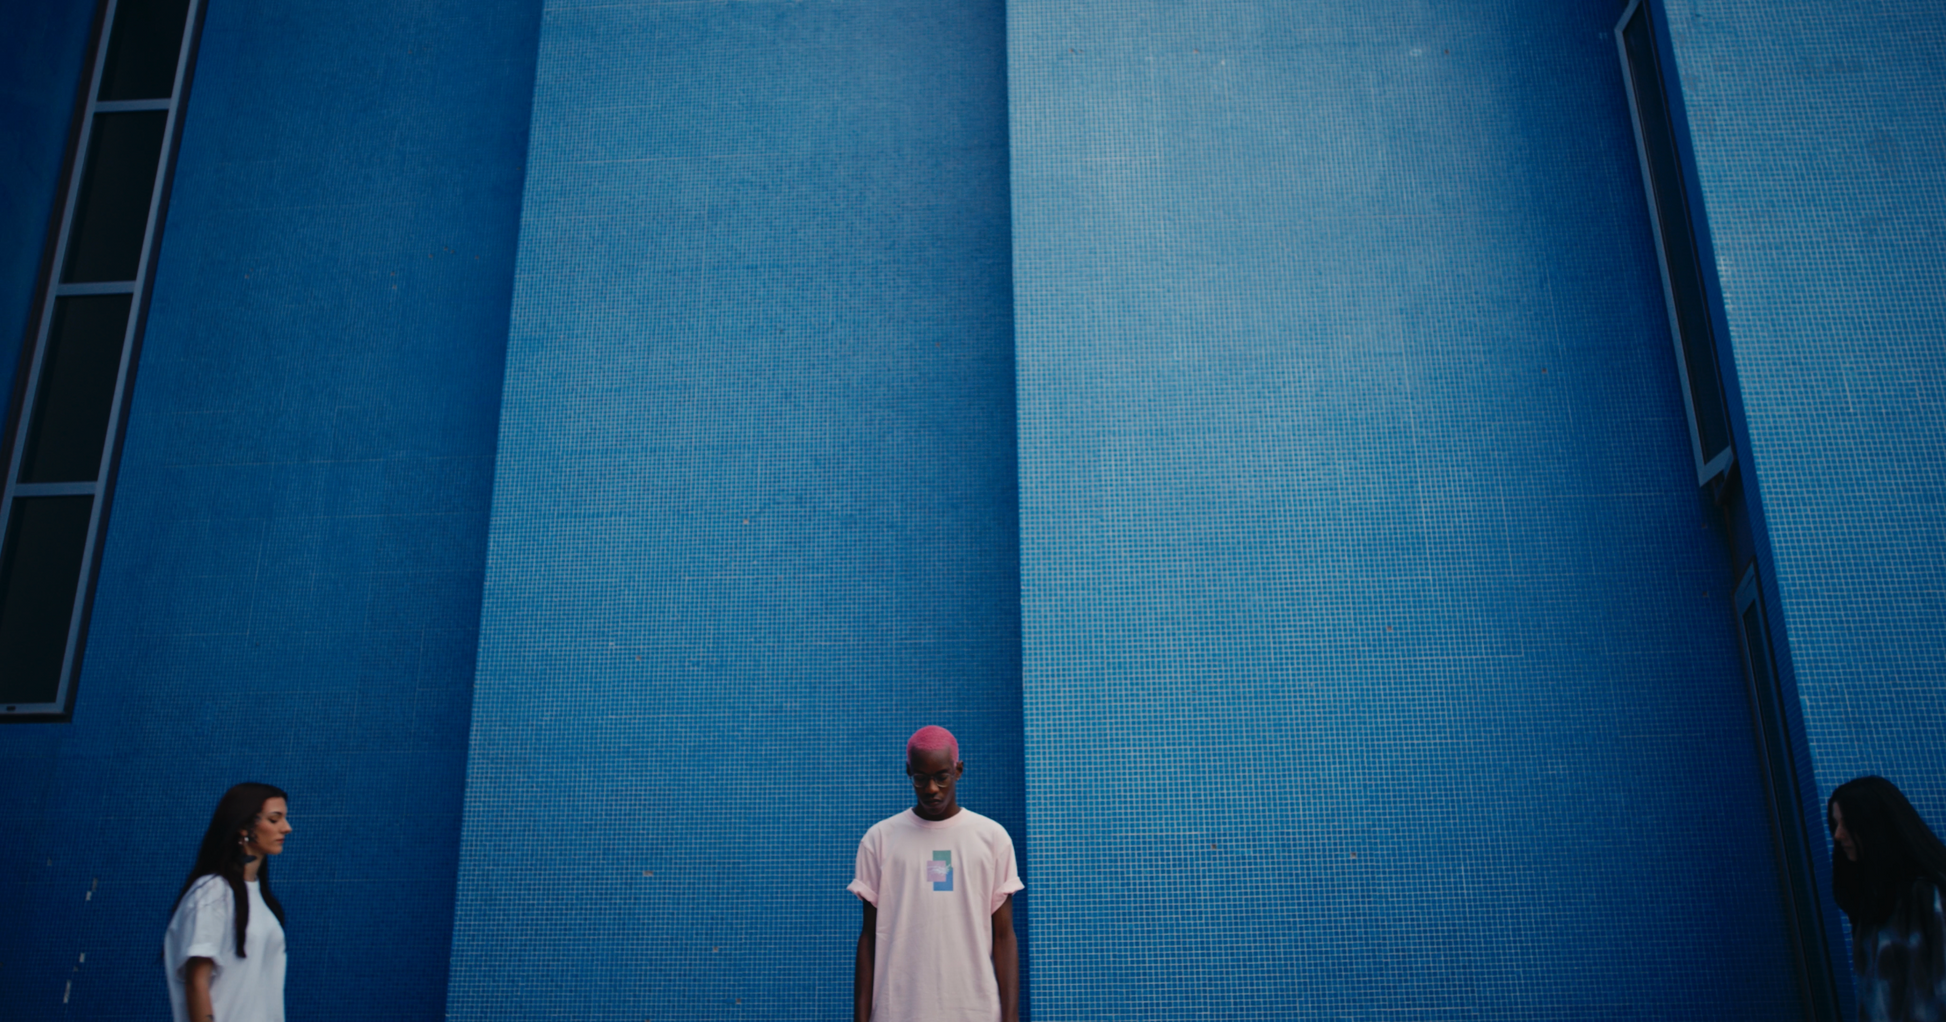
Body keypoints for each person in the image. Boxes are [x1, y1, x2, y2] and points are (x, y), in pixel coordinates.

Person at [850, 725, 1022, 1022]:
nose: (931, 789)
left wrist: (1011, 1018)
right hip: (897, 1012)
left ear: (958, 770)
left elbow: (1004, 937)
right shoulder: (879, 840)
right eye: (921, 778)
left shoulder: (993, 838)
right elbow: (869, 937)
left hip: (975, 1012)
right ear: (908, 772)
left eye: (941, 777)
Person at [163, 783, 293, 1022]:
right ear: (243, 825)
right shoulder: (213, 892)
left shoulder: (259, 898)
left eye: (284, 819)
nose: (287, 828)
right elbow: (196, 982)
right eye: (274, 820)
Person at [1829, 775, 1946, 1022]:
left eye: (1847, 823)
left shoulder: (1930, 896)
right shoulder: (1873, 908)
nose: (1838, 835)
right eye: (1835, 823)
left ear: (1876, 826)